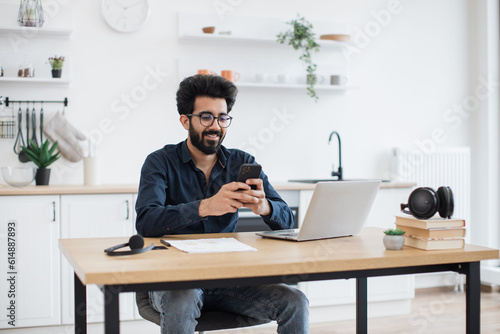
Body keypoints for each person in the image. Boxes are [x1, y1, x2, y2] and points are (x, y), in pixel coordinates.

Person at [135, 74, 309, 333]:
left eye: (222, 117)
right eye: (206, 117)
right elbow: (147, 222)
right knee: (183, 297)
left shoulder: (242, 162)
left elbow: (287, 220)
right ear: (185, 120)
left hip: (227, 278)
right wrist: (205, 207)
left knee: (295, 301)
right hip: (173, 278)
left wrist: (264, 207)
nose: (216, 125)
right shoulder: (159, 162)